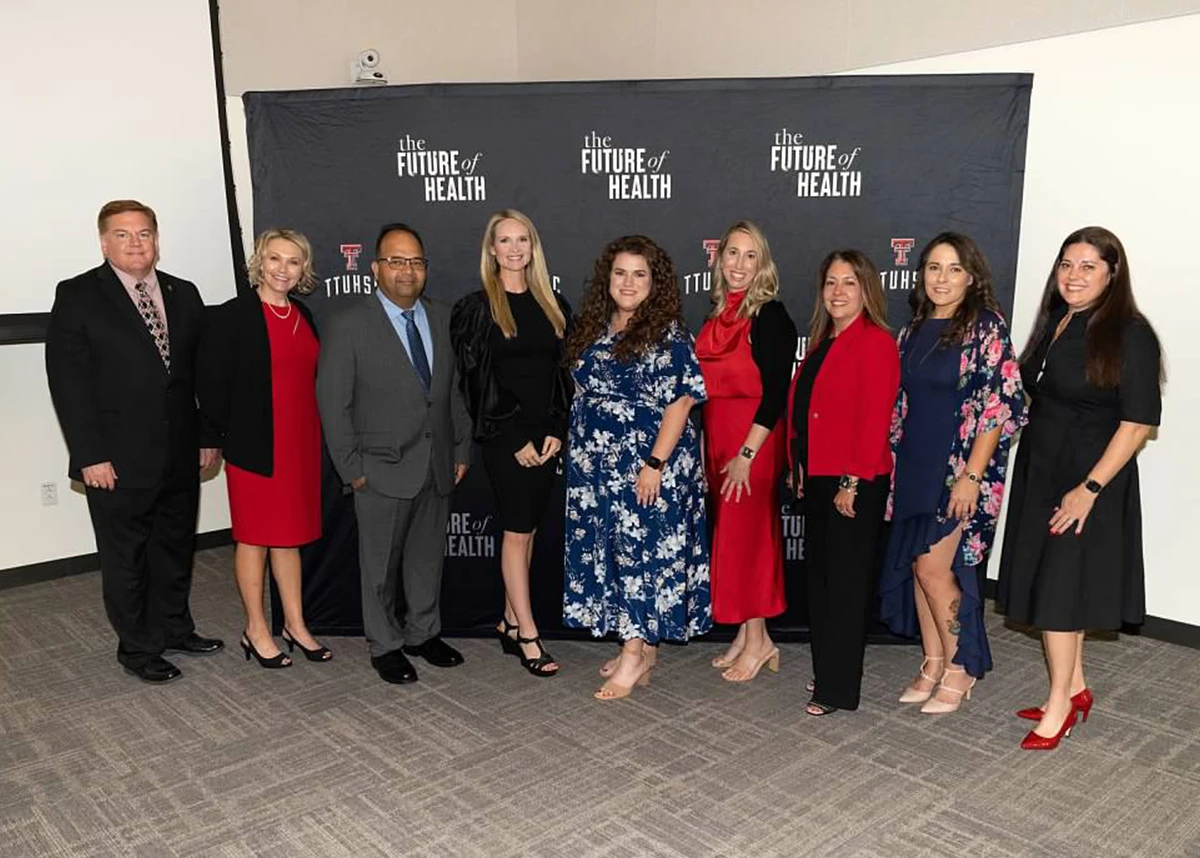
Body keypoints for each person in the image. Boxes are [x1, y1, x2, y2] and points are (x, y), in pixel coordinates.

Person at [997, 226, 1163, 750]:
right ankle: (1075, 687)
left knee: (1059, 595)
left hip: (1087, 482)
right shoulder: (1059, 321)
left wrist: (1087, 488)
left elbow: (1136, 424)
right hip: (1043, 472)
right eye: (1067, 264)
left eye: (1089, 266)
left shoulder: (1130, 333)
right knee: (1053, 583)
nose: (1074, 275)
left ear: (1113, 274)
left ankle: (1060, 707)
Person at [45, 199, 223, 684]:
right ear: (104, 243)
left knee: (174, 547)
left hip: (181, 452)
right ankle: (139, 648)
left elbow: (198, 376)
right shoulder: (79, 295)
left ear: (157, 240)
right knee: (127, 558)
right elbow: (68, 383)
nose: (136, 243)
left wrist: (207, 435)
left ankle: (174, 628)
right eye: (123, 235)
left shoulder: (184, 294)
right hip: (115, 460)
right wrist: (89, 456)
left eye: (144, 233)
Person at [316, 223, 473, 685]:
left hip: (438, 463)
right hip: (379, 470)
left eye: (416, 262)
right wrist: (353, 470)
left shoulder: (445, 318)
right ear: (375, 269)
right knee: (380, 568)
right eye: (396, 261)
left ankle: (423, 634)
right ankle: (385, 645)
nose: (407, 271)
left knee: (427, 560)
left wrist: (461, 447)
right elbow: (333, 403)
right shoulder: (348, 325)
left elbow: (455, 393)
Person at [878, 233, 1026, 713]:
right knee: (920, 568)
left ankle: (962, 665)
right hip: (915, 466)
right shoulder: (912, 330)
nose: (942, 279)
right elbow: (901, 408)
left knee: (934, 568)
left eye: (954, 269)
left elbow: (998, 406)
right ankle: (934, 660)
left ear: (971, 276)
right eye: (934, 268)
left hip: (957, 468)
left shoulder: (986, 327)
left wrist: (972, 475)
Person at [562, 235, 711, 700]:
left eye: (639, 274)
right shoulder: (595, 326)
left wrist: (654, 464)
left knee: (640, 556)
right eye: (620, 273)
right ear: (608, 278)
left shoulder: (668, 332)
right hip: (596, 468)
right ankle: (642, 649)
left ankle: (632, 655)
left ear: (655, 283)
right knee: (614, 554)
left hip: (646, 465)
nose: (628, 283)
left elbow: (682, 400)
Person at [451, 210, 573, 678]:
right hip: (507, 439)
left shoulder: (553, 303)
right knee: (517, 532)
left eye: (523, 239)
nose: (515, 248)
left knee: (529, 532)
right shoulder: (478, 308)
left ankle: (507, 619)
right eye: (505, 240)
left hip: (546, 440)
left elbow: (564, 376)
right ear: (492, 250)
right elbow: (476, 383)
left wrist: (556, 430)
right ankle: (528, 634)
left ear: (533, 247)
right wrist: (516, 436)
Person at [200, 229, 329, 669]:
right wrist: (211, 438)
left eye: (293, 262)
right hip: (254, 444)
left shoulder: (305, 315)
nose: (282, 269)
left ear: (303, 270)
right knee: (254, 537)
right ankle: (256, 628)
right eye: (274, 259)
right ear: (260, 262)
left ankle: (294, 623)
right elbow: (212, 385)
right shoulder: (234, 315)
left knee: (289, 538)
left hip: (300, 442)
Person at [786, 249, 899, 716]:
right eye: (830, 282)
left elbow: (873, 419)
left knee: (846, 587)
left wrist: (852, 481)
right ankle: (829, 669)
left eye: (849, 283)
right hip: (819, 477)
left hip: (854, 478)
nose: (837, 292)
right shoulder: (823, 342)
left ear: (866, 290)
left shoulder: (875, 342)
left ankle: (837, 689)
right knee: (823, 583)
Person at [695, 221, 797, 682]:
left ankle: (760, 641)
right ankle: (745, 631)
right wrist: (704, 451)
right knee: (733, 539)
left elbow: (776, 395)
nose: (738, 264)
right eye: (732, 254)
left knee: (749, 540)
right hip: (718, 438)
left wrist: (747, 455)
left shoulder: (770, 316)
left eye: (749, 255)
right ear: (720, 260)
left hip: (753, 441)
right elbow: (702, 398)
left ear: (763, 264)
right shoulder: (716, 317)